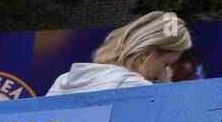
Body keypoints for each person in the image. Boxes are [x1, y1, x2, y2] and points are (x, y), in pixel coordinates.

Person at [48, 12, 193, 95]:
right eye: (166, 64)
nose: (165, 73)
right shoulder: (135, 87)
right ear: (147, 53)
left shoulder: (63, 80)